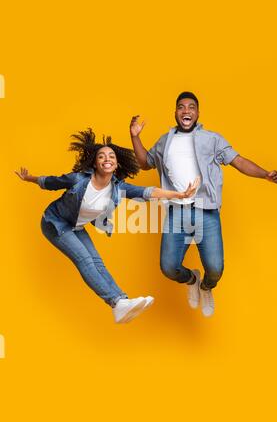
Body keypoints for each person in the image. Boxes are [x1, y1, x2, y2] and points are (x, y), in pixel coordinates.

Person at [15, 128, 199, 323]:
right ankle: (116, 301)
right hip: (55, 223)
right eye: (101, 156)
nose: (107, 159)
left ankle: (122, 303)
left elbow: (149, 192)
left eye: (111, 156)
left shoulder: (118, 188)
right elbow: (51, 181)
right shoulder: (79, 180)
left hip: (76, 225)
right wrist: (29, 178)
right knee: (85, 260)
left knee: (97, 261)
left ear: (116, 162)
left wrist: (180, 195)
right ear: (95, 162)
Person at [130, 91, 277, 317]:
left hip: (206, 211)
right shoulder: (165, 141)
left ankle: (206, 286)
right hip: (177, 212)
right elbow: (145, 163)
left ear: (198, 113)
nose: (186, 111)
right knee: (168, 268)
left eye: (191, 107)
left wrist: (265, 174)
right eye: (181, 107)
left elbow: (238, 161)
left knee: (216, 269)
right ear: (175, 113)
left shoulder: (212, 139)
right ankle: (192, 279)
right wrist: (135, 137)